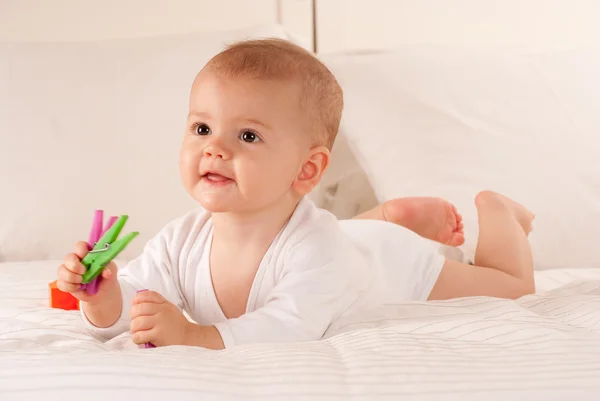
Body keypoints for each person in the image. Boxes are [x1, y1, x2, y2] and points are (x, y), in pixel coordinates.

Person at [56, 39, 534, 350]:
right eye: (202, 128)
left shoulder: (318, 251)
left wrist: (197, 336)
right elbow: (135, 301)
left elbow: (291, 326)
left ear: (307, 170)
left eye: (246, 136)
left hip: (387, 265)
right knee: (349, 237)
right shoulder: (182, 239)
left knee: (510, 287)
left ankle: (497, 212)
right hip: (348, 244)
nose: (214, 148)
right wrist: (101, 297)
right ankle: (384, 216)